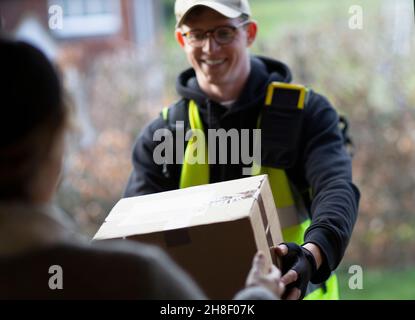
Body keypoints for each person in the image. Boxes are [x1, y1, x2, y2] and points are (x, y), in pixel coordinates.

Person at [0, 38, 284, 300]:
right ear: (55, 140)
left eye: (222, 33)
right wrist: (259, 294)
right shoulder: (130, 278)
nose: (210, 47)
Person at [124, 0, 360, 300]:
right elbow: (136, 234)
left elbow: (336, 189)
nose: (210, 48)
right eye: (197, 35)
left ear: (249, 33)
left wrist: (311, 257)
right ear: (182, 40)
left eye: (223, 33)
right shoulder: (163, 134)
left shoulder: (306, 115)